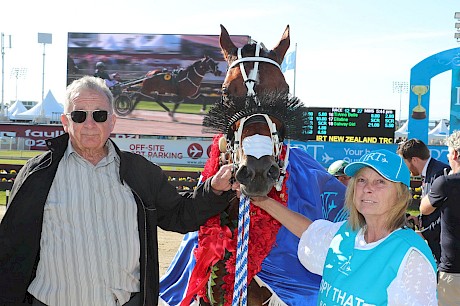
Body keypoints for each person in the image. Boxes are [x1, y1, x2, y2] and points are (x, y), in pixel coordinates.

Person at [0, 76, 233, 306]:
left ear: (112, 121)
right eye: (79, 116)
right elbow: (9, 247)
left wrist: (214, 189)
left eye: (99, 115)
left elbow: (181, 216)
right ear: (65, 121)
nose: (89, 124)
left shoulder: (141, 172)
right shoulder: (38, 174)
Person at [252, 149, 437, 305]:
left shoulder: (411, 255)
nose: (367, 188)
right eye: (361, 180)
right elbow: (308, 232)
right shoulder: (345, 233)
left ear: (400, 195)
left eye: (381, 181)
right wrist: (262, 201)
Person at [420, 130, 460, 305]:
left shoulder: (445, 183)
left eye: (449, 152)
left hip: (453, 270)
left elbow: (424, 208)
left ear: (455, 154)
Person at [396, 138, 450, 263]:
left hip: (443, 249)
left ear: (414, 160)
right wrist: (419, 219)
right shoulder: (432, 172)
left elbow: (446, 215)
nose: (405, 168)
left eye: (404, 162)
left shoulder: (440, 174)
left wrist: (425, 233)